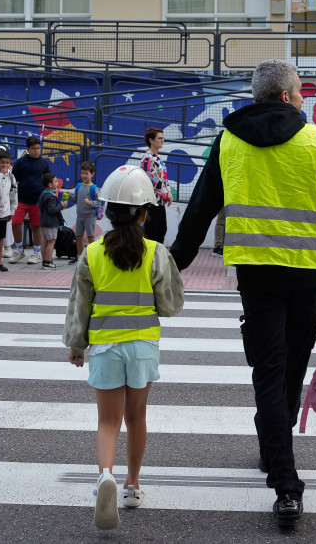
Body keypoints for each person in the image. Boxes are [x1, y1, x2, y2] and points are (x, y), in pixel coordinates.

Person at [169, 58, 316, 529]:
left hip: (256, 278)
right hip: (306, 277)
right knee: (286, 374)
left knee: (270, 374)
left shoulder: (229, 139)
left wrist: (172, 264)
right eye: (300, 93)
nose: (304, 100)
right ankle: (286, 482)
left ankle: (271, 445)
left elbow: (199, 208)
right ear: (283, 97)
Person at [63, 165, 185, 531]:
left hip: (104, 348)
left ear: (107, 212)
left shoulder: (92, 254)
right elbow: (171, 306)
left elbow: (78, 307)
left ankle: (105, 477)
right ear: (145, 214)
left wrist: (76, 345)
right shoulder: (155, 252)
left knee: (107, 421)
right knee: (137, 418)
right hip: (143, 346)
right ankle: (132, 485)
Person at [10, 135, 52, 265]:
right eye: (33, 148)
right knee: (15, 223)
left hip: (38, 201)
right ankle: (19, 250)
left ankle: (36, 253)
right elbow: (13, 179)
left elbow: (48, 180)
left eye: (38, 148)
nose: (37, 151)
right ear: (27, 149)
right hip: (21, 199)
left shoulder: (44, 162)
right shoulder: (21, 162)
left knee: (36, 226)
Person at [140, 127, 171, 244]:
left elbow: (164, 178)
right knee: (151, 232)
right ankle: (150, 259)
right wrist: (166, 195)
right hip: (152, 201)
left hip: (160, 201)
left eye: (163, 138)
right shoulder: (147, 159)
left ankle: (157, 258)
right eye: (159, 138)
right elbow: (153, 180)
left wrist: (169, 193)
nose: (162, 140)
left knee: (161, 230)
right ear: (151, 140)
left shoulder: (158, 158)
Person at [68, 160, 102, 265]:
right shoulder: (78, 186)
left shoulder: (94, 188)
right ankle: (80, 257)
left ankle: (93, 257)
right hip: (80, 216)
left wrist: (90, 203)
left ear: (92, 174)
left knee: (91, 236)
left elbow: (99, 202)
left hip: (90, 216)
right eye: (82, 173)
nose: (83, 175)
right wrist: (69, 197)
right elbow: (75, 200)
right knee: (78, 236)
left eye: (86, 173)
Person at [38, 172, 66, 270]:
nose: (57, 183)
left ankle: (44, 260)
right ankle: (48, 262)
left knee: (45, 242)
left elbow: (40, 206)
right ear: (50, 185)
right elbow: (51, 210)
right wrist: (61, 206)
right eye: (55, 181)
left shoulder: (43, 194)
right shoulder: (51, 197)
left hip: (43, 222)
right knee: (51, 242)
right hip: (51, 223)